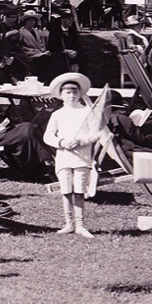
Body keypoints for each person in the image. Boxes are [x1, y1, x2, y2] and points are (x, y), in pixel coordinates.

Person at [42, 73, 108, 237]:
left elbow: (96, 134)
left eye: (74, 92)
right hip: (64, 156)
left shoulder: (87, 112)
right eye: (67, 92)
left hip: (81, 156)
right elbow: (48, 136)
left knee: (79, 190)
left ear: (80, 94)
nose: (71, 95)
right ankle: (69, 224)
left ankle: (80, 225)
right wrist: (62, 142)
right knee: (66, 190)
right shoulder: (57, 114)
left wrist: (81, 140)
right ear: (61, 95)